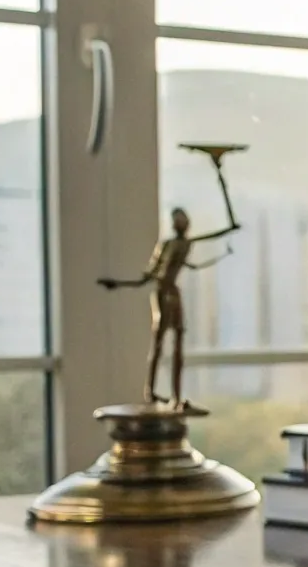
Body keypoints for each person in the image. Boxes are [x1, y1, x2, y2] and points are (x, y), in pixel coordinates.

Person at [98, 144, 245, 408]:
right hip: (163, 292)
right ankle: (151, 392)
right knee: (160, 342)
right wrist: (118, 284)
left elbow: (228, 228)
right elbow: (150, 275)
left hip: (173, 293)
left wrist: (220, 175)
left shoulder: (185, 244)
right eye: (179, 219)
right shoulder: (169, 245)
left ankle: (175, 396)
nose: (183, 222)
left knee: (177, 341)